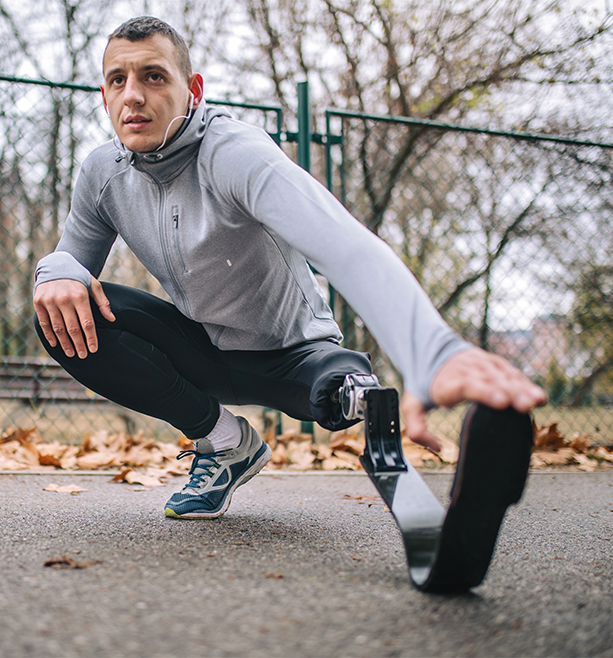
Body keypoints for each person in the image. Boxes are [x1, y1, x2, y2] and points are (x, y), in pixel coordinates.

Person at [33, 16, 546, 520]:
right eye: (117, 81)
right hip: (202, 350)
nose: (134, 96)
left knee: (340, 391)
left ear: (192, 89)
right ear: (104, 98)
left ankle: (361, 398)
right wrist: (54, 269)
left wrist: (432, 350)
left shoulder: (233, 153)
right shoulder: (103, 172)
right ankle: (226, 445)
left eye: (153, 76)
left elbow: (341, 243)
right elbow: (72, 266)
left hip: (293, 355)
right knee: (60, 308)